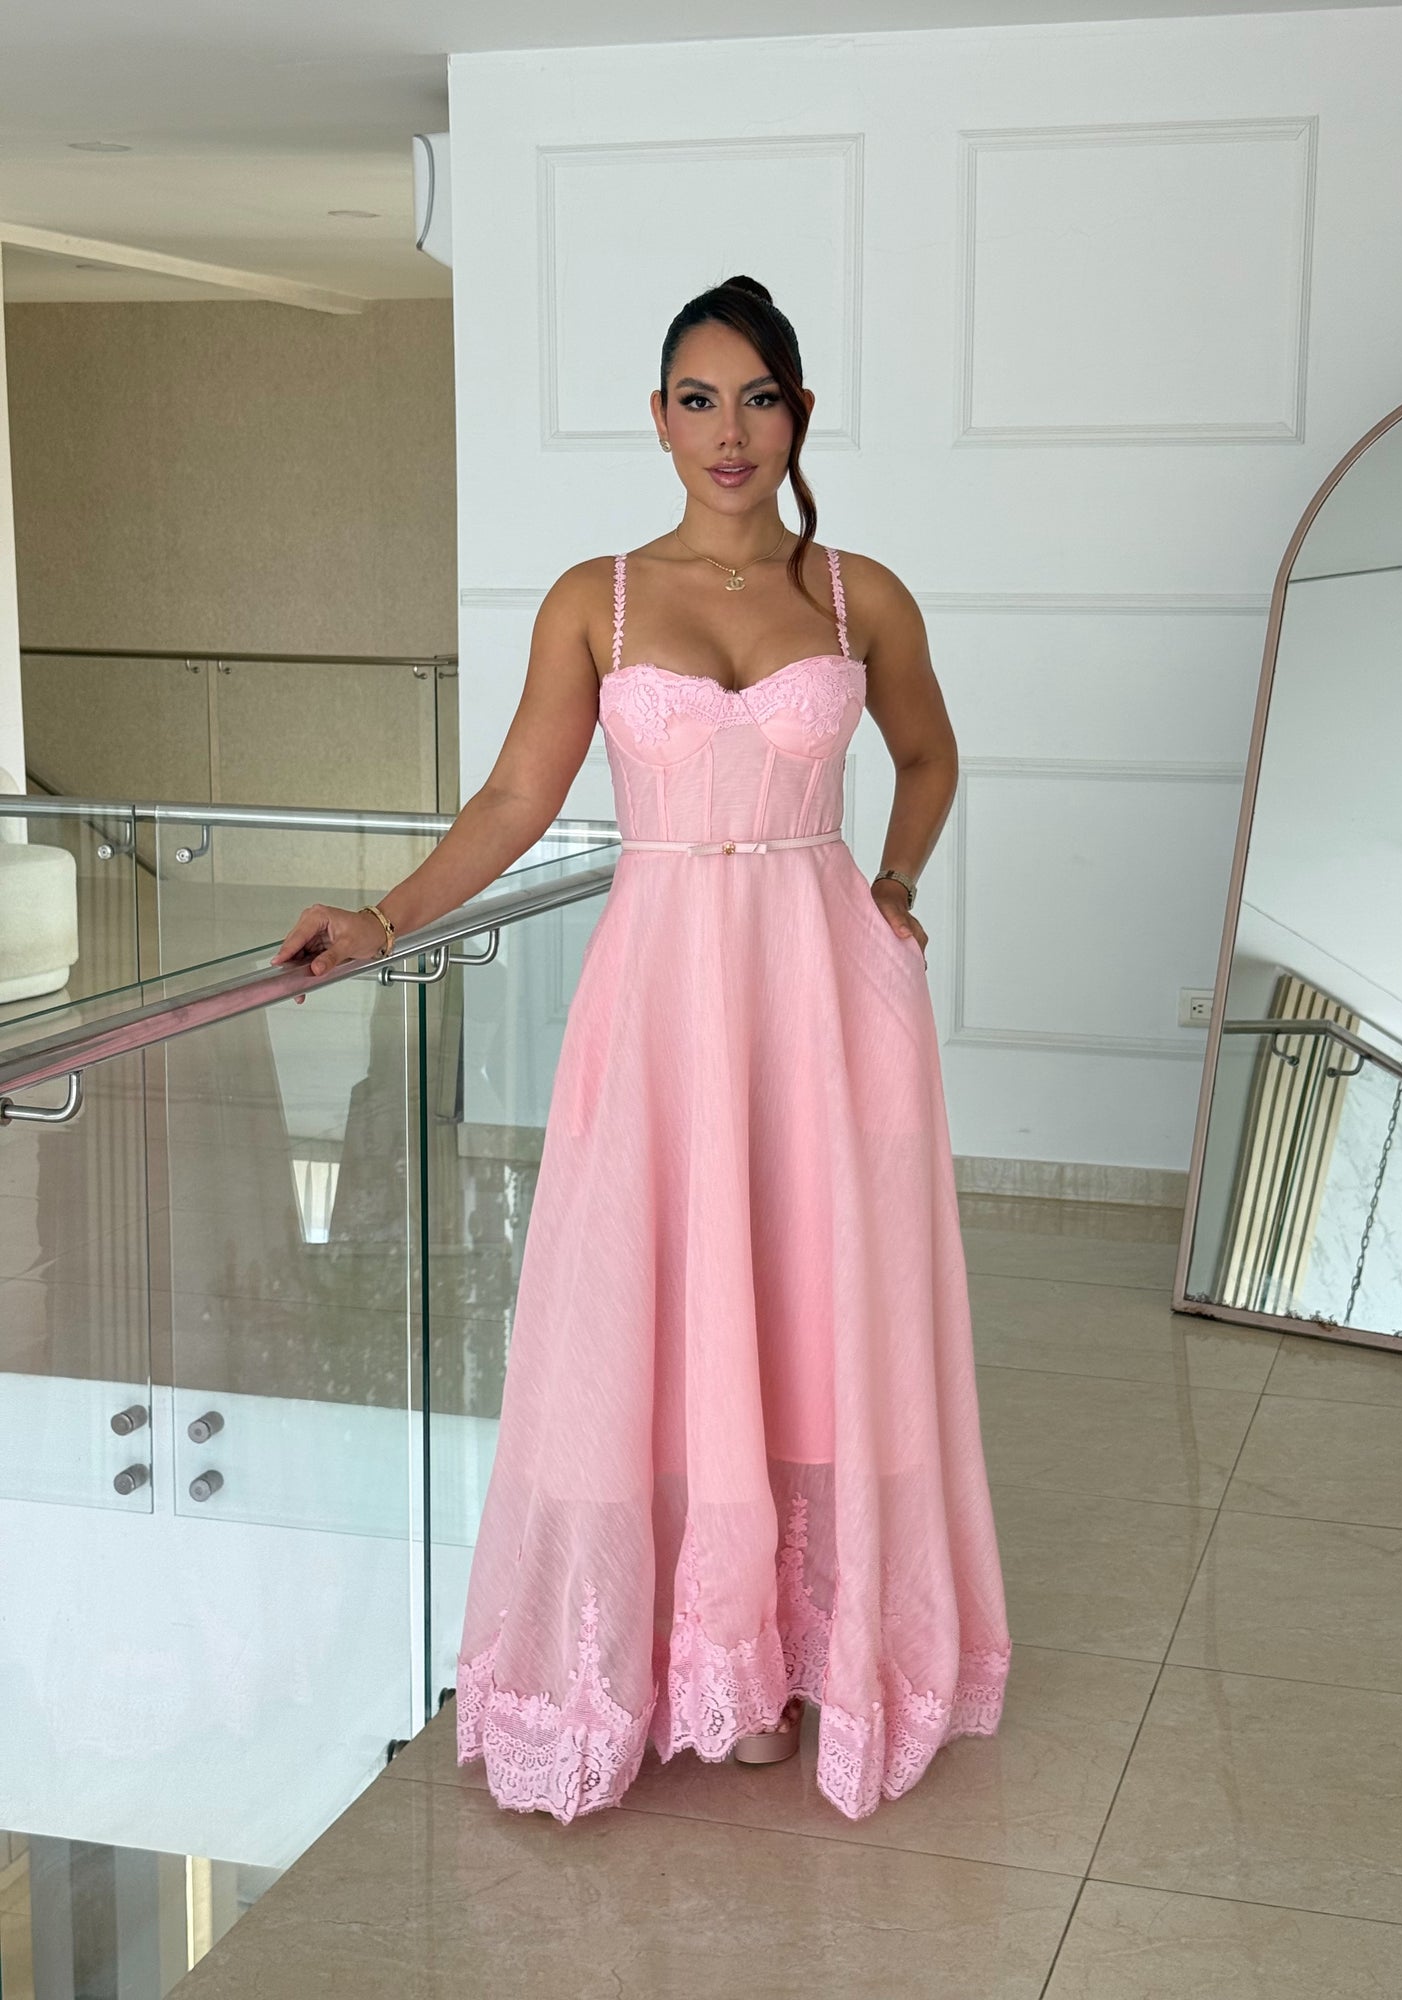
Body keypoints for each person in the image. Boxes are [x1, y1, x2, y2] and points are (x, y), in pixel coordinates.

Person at [273, 275, 1011, 1824]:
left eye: (757, 398)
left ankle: (810, 1647)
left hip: (826, 993)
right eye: (697, 399)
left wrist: (892, 886)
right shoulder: (595, 600)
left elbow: (930, 754)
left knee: (819, 1303)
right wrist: (386, 919)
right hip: (666, 990)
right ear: (659, 420)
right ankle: (707, 1653)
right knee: (655, 1299)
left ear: (799, 415)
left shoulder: (860, 596)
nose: (728, 431)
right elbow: (513, 800)